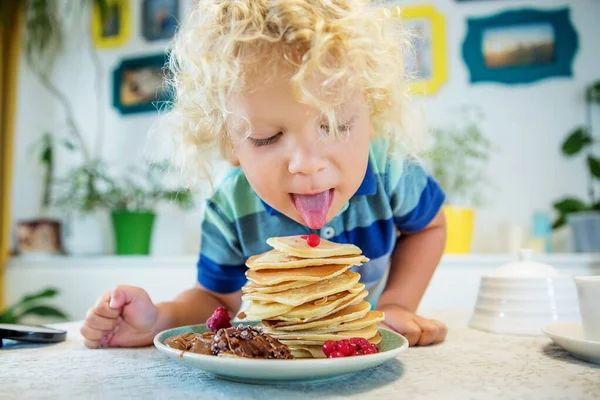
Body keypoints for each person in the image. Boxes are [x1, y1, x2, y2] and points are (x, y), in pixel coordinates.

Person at [81, 0, 448, 349]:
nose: (306, 162)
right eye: (267, 137)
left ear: (371, 112)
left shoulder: (389, 170)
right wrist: (159, 318)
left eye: (335, 125)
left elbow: (429, 228)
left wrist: (398, 304)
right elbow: (214, 298)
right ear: (230, 144)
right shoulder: (230, 206)